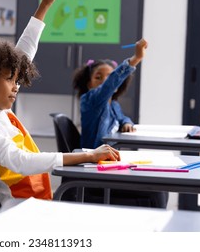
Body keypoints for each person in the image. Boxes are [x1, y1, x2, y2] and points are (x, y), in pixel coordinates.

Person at [0, 0, 120, 204]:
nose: (16, 86)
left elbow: (25, 53)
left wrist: (45, 5)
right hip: (19, 212)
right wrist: (87, 156)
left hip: (34, 204)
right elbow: (20, 160)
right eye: (10, 79)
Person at [72, 40, 168, 208]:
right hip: (95, 168)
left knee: (161, 185)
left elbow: (122, 118)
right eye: (98, 77)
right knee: (157, 189)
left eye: (109, 77)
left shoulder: (113, 104)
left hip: (110, 163)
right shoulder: (90, 101)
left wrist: (127, 123)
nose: (104, 81)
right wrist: (136, 59)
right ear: (89, 84)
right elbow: (108, 86)